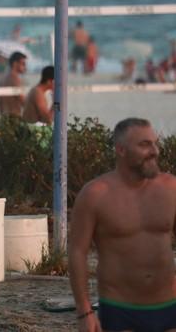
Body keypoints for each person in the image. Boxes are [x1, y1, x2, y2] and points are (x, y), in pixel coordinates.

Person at [69, 118, 176, 332]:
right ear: (121, 150)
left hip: (169, 305)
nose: (154, 151)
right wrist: (85, 311)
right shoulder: (95, 195)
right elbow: (77, 252)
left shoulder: (171, 189)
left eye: (155, 143)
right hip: (120, 308)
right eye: (144, 145)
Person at [0, 51, 27, 117]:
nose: (25, 67)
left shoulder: (2, 79)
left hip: (5, 119)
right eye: (23, 63)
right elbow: (23, 101)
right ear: (15, 63)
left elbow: (0, 103)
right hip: (15, 119)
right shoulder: (15, 79)